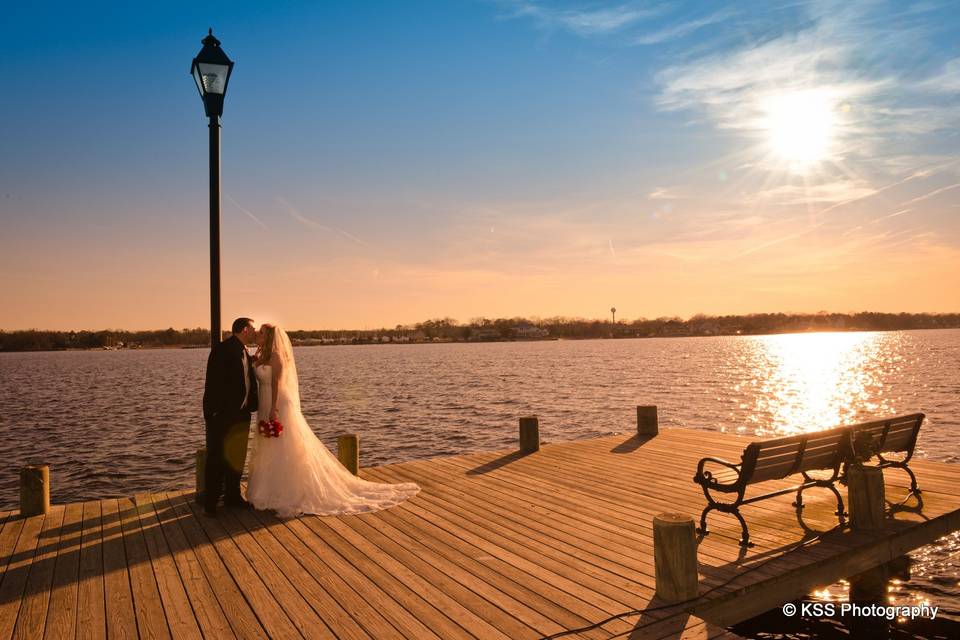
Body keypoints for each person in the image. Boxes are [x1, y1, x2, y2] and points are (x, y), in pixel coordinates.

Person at [246, 324, 419, 517]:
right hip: (264, 402)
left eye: (261, 332)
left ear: (269, 337)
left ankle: (288, 492)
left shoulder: (277, 356)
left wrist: (273, 409)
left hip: (276, 403)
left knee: (283, 447)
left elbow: (277, 382)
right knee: (267, 446)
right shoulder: (260, 356)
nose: (257, 335)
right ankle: (268, 489)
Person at [202, 317, 258, 516]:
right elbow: (213, 382)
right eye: (252, 328)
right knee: (216, 458)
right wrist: (213, 412)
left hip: (242, 414)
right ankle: (211, 502)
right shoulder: (223, 349)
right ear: (244, 329)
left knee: (237, 457)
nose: (254, 331)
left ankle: (233, 497)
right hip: (223, 416)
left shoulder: (244, 351)